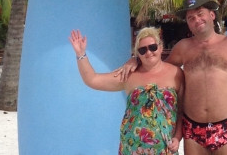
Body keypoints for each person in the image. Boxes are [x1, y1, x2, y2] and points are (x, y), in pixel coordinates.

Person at [119, 0, 227, 154]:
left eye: (200, 14)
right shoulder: (183, 47)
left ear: (212, 15)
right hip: (193, 128)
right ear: (188, 23)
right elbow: (157, 68)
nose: (197, 20)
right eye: (191, 18)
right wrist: (136, 60)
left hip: (226, 125)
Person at [70, 26, 184, 154]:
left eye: (152, 47)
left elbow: (181, 111)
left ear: (161, 47)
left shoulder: (176, 74)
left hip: (165, 148)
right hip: (132, 147)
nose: (148, 52)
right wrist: (81, 54)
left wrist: (177, 137)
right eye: (142, 50)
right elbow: (92, 79)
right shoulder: (128, 75)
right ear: (137, 54)